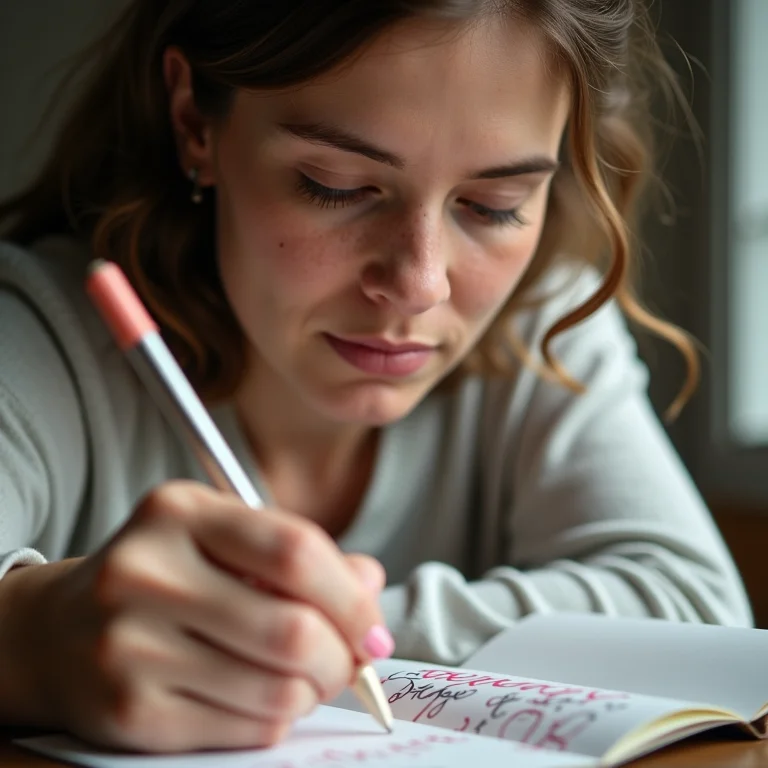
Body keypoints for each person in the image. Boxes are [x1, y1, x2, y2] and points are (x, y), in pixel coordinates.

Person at [0, 0, 752, 755]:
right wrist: (28, 640)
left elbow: (693, 608)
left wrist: (297, 636)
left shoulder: (541, 326)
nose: (419, 284)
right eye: (335, 185)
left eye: (496, 206)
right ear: (197, 120)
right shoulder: (36, 338)